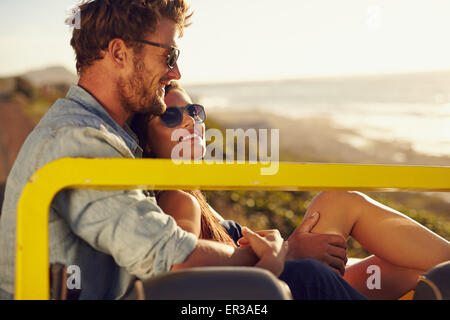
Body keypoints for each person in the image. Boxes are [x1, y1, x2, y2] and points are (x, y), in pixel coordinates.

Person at [0, 0, 364, 300]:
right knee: (297, 283)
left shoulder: (105, 131)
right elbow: (170, 257)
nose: (176, 72)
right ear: (118, 52)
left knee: (304, 277)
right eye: (169, 55)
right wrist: (265, 256)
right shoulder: (80, 139)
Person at [130, 81, 450, 300]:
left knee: (407, 272)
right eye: (171, 116)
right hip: (277, 286)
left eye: (194, 111)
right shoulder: (177, 198)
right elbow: (180, 267)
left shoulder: (192, 194)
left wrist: (285, 249)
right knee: (338, 202)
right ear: (146, 141)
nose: (188, 122)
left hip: (283, 274)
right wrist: (286, 255)